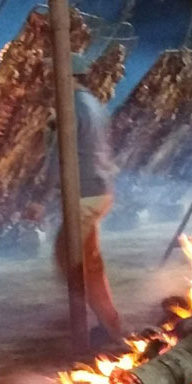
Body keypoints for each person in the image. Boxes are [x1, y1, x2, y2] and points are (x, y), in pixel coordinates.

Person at [52, 63, 125, 343]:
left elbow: (58, 155)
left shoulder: (72, 107)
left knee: (69, 256)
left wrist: (39, 196)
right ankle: (105, 320)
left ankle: (106, 327)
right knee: (88, 260)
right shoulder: (92, 104)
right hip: (99, 189)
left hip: (85, 193)